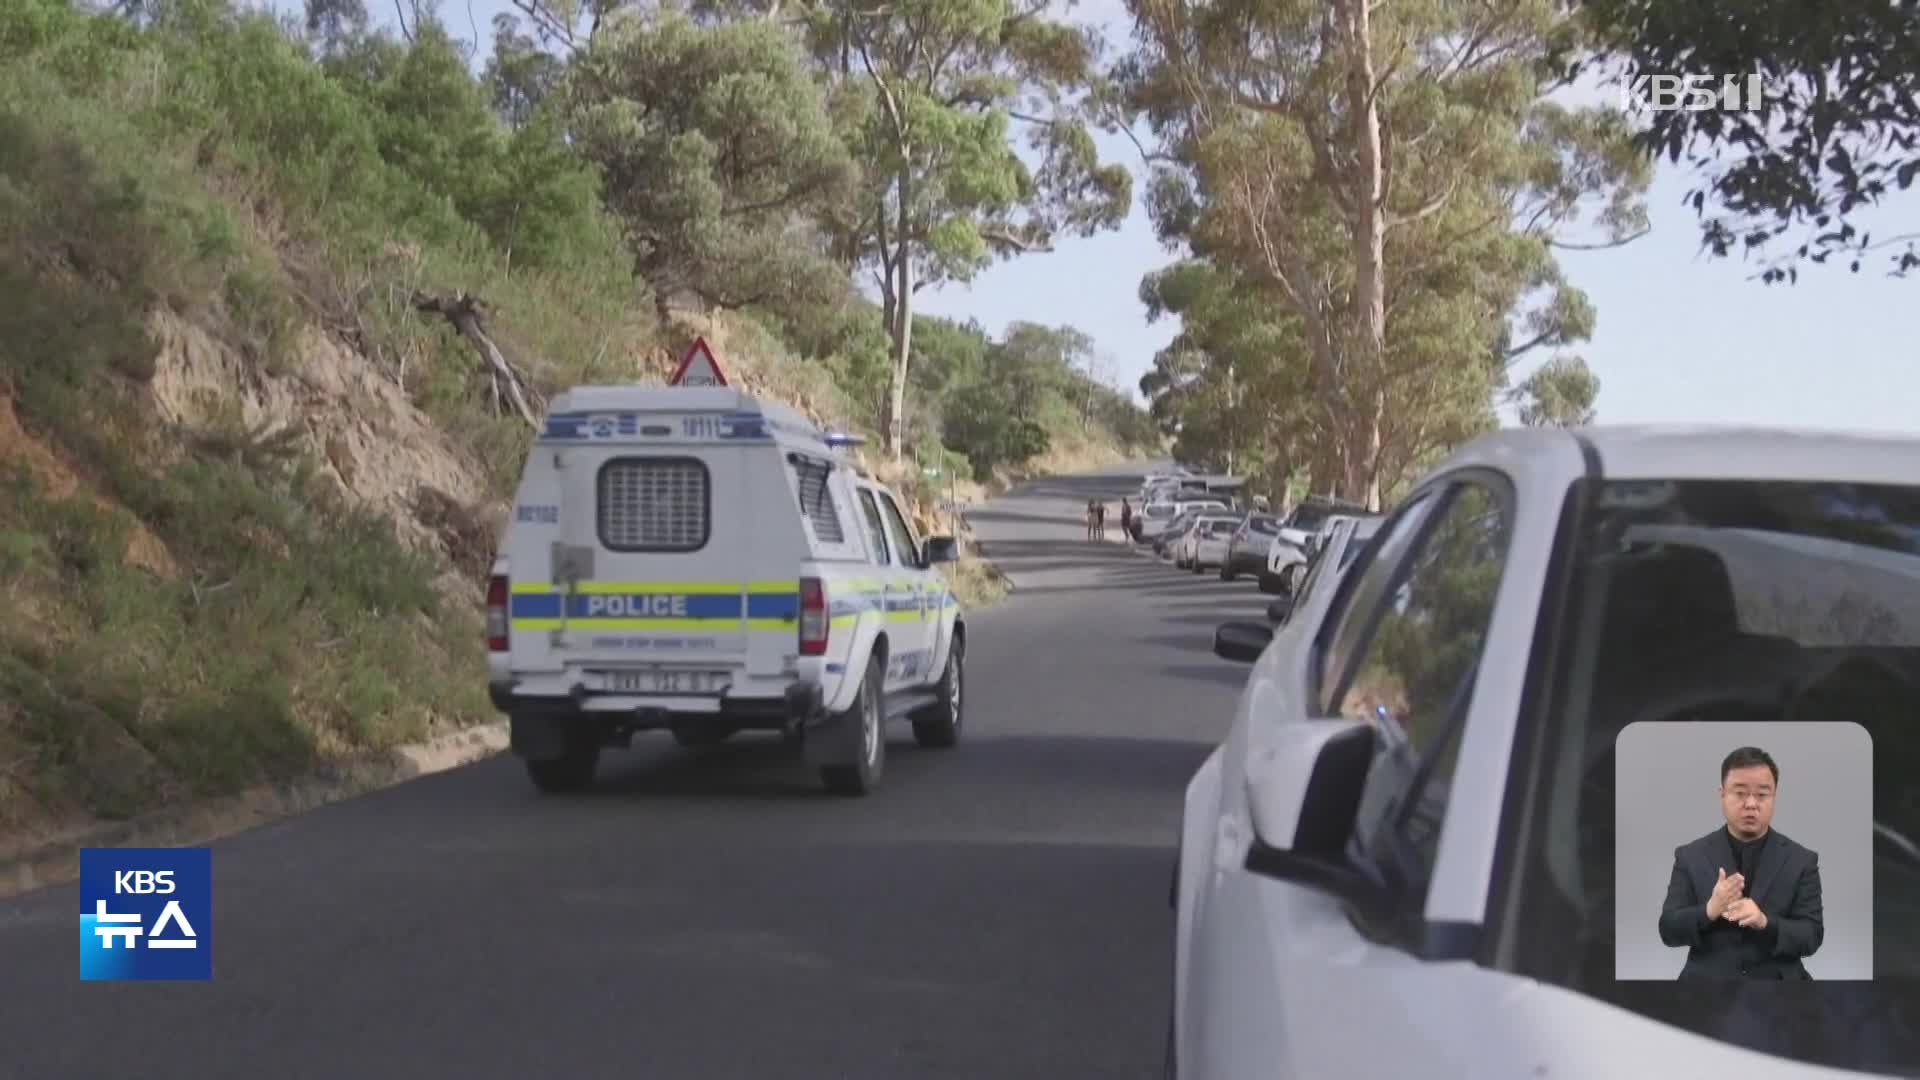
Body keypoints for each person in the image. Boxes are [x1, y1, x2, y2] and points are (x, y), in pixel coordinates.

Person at [1657, 746, 1824, 979]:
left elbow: (1812, 936)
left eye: (1762, 794)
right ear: (1722, 794)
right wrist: (1710, 910)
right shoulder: (1690, 855)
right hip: (1707, 988)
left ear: (1774, 796)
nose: (1751, 804)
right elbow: (1668, 930)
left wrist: (1765, 922)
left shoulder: (1801, 860)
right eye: (1740, 793)